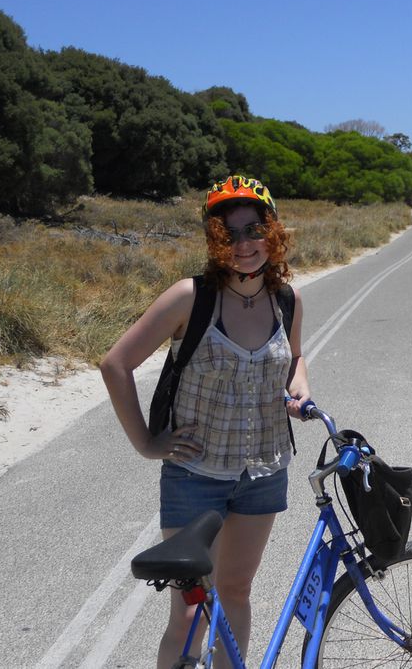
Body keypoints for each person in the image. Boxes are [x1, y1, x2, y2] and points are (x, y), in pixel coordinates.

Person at [100, 175, 310, 668]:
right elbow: (116, 364)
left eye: (254, 229)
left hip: (263, 473)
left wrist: (301, 384)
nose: (244, 245)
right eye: (230, 233)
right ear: (215, 240)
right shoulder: (188, 298)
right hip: (194, 478)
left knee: (235, 591)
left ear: (272, 231)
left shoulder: (288, 300)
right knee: (188, 613)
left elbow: (296, 357)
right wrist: (147, 445)